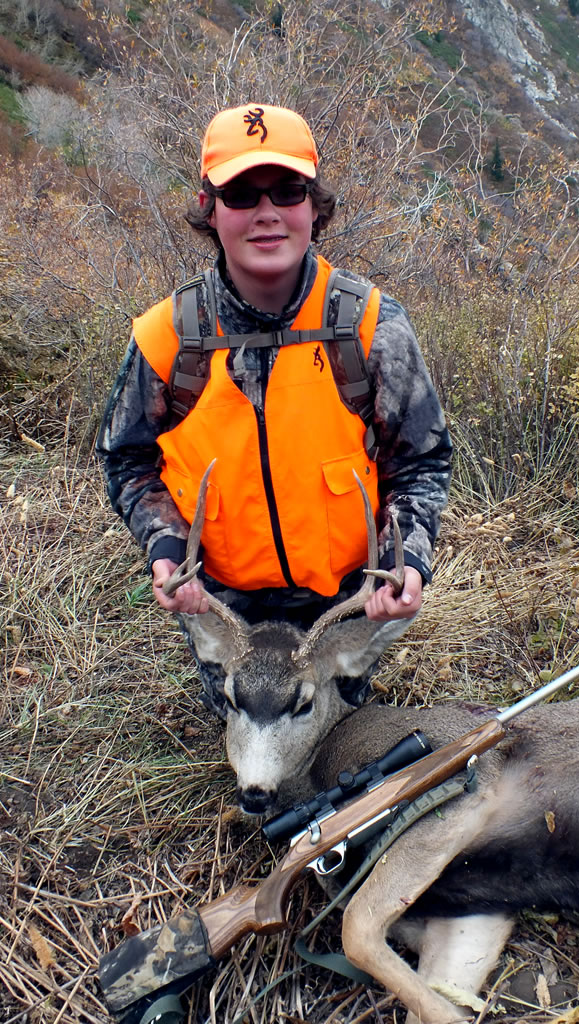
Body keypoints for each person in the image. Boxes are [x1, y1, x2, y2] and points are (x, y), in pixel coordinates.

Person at [96, 103, 452, 714]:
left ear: (315, 205)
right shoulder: (167, 337)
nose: (266, 214)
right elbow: (126, 458)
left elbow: (422, 461)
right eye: (241, 194)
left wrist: (405, 559)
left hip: (341, 602)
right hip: (221, 605)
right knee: (250, 744)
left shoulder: (370, 327)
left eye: (288, 191)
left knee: (333, 746)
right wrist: (164, 549)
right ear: (210, 209)